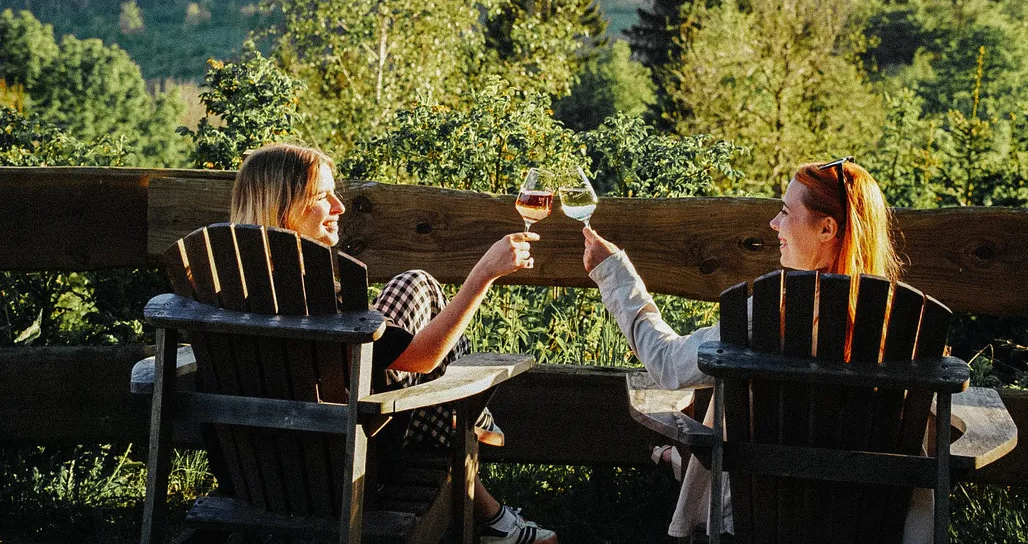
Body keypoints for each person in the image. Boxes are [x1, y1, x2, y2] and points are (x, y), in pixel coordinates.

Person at [581, 159, 931, 543]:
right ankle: (677, 458)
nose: (773, 224)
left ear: (827, 227)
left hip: (762, 519)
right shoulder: (900, 323)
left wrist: (614, 273)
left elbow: (669, 365)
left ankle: (676, 458)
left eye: (784, 212)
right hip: (871, 522)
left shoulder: (770, 315)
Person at [231, 143, 557, 544]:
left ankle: (493, 512)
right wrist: (484, 274)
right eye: (322, 196)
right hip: (351, 467)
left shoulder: (221, 288)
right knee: (443, 390)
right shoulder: (316, 297)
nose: (340, 207)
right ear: (284, 208)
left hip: (256, 470)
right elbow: (421, 359)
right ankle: (473, 432)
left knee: (413, 284)